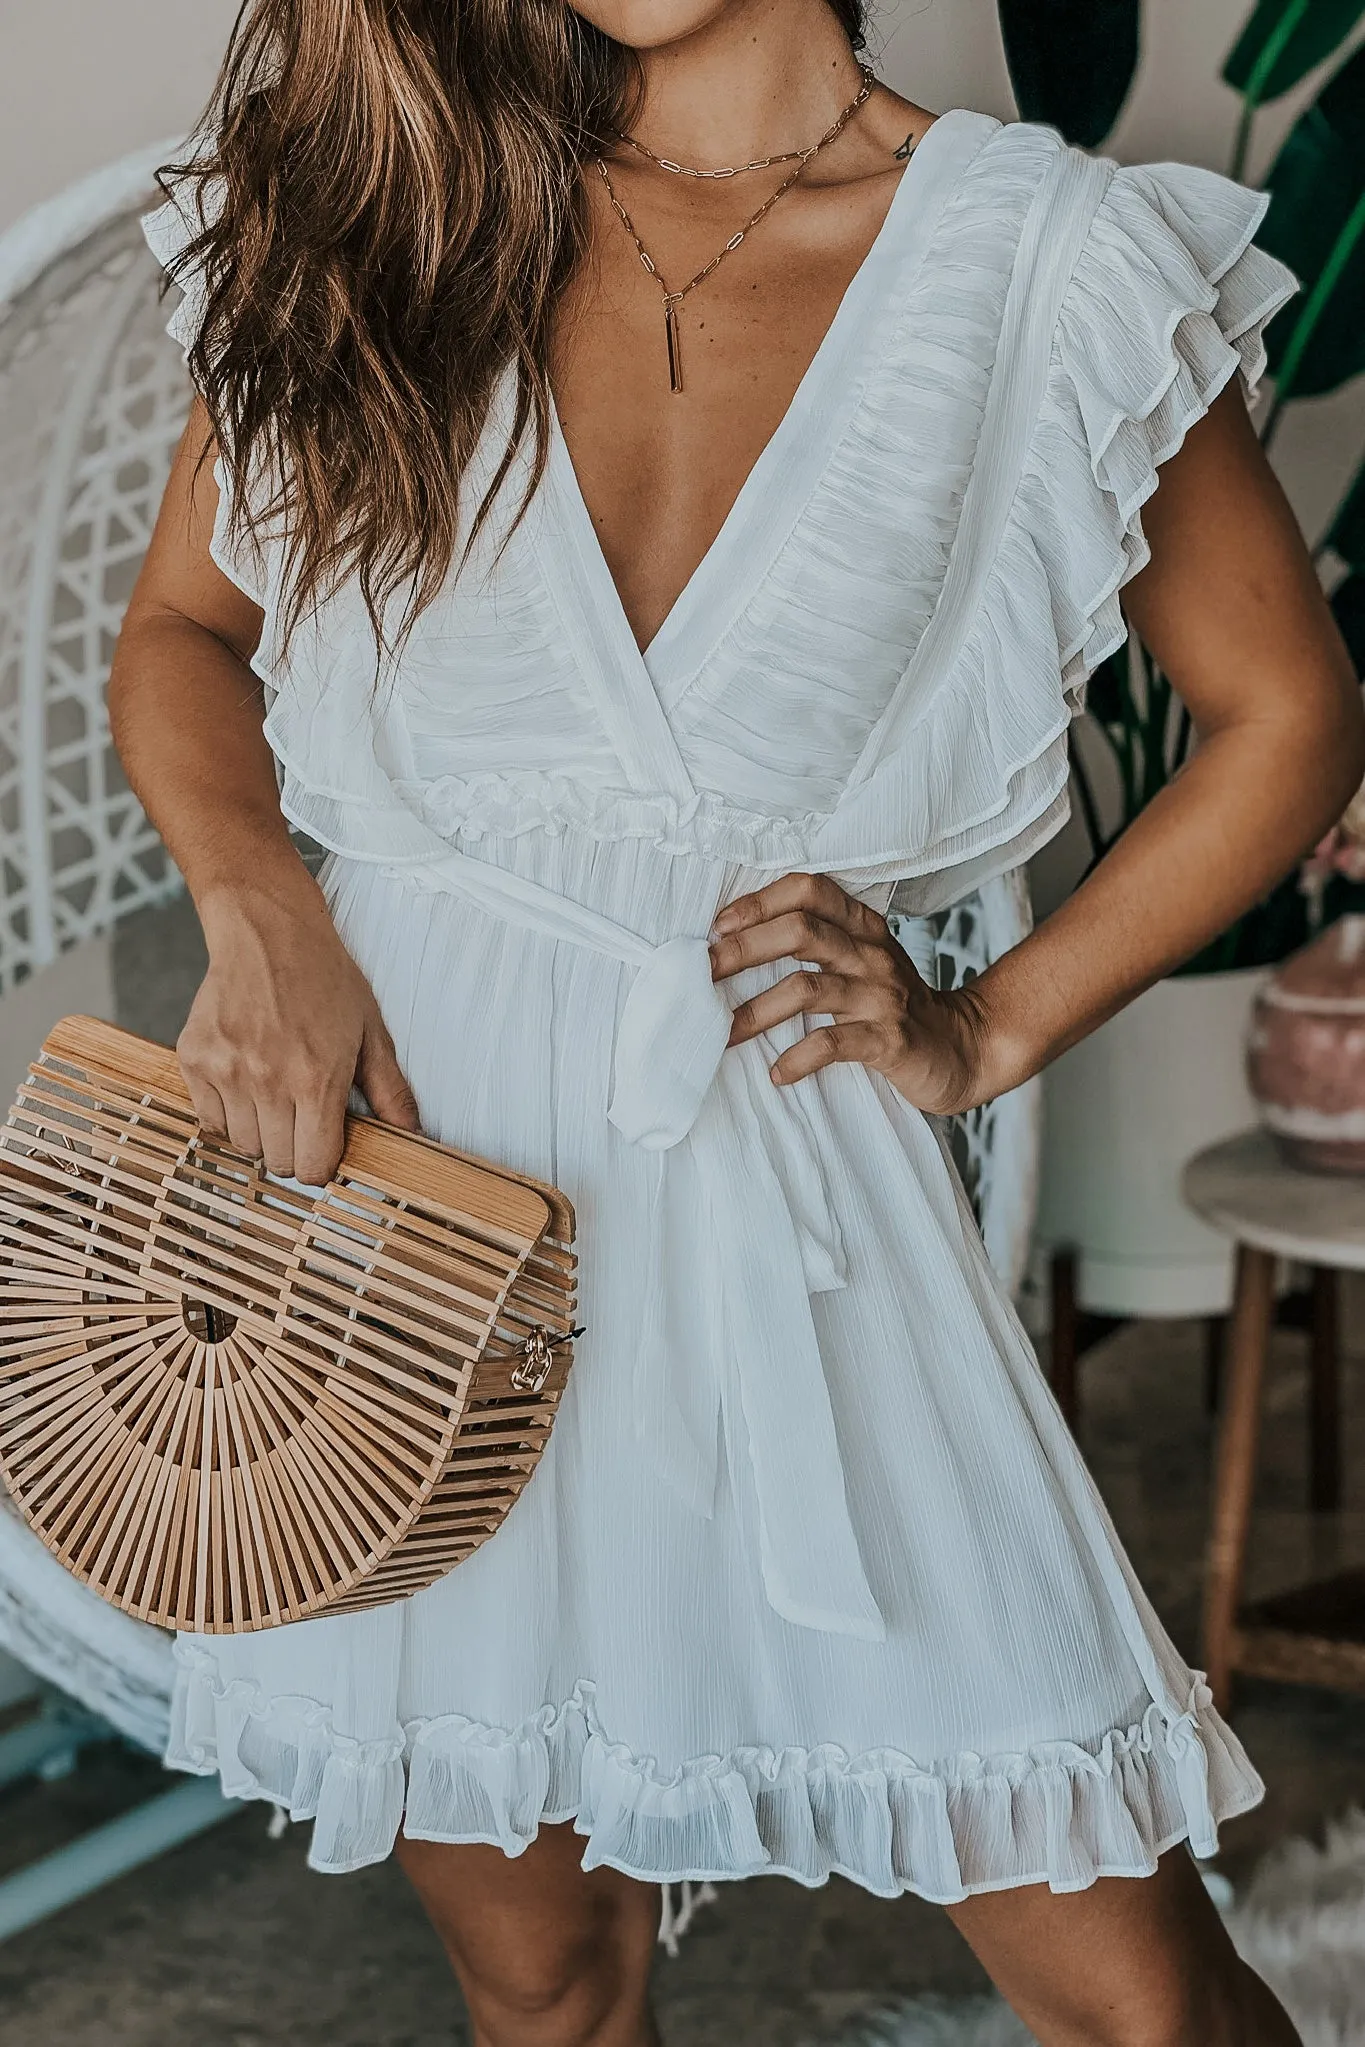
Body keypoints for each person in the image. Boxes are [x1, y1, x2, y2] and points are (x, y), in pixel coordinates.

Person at [109, 0, 1359, 2040]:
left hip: (786, 1200)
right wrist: (263, 917)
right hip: (412, 1207)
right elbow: (184, 629)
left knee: (1143, 2004)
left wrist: (987, 1027)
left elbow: (1288, 713)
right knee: (544, 1987)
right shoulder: (393, 204)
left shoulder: (1038, 258)